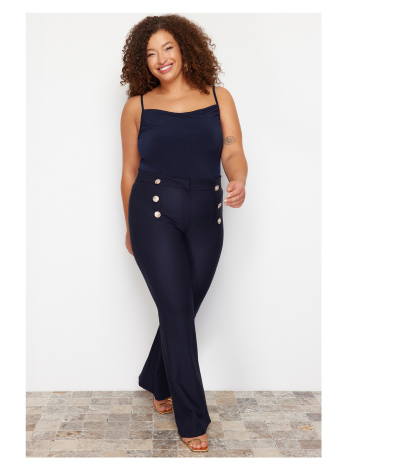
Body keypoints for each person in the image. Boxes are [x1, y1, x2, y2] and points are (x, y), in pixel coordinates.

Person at [119, 14, 247, 452]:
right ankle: (192, 418)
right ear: (142, 62)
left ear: (186, 47)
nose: (161, 59)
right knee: (175, 312)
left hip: (207, 213)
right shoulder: (137, 106)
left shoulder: (218, 96)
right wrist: (130, 227)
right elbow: (129, 171)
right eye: (150, 53)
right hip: (152, 213)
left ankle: (155, 377)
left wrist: (239, 179)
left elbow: (233, 150)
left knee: (183, 307)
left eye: (168, 47)